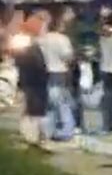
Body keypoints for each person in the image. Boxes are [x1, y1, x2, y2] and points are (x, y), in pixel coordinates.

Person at [39, 10, 76, 141]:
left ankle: (49, 130)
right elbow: (68, 56)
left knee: (49, 103)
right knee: (62, 102)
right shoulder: (63, 39)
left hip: (46, 71)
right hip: (60, 71)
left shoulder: (43, 39)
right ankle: (67, 130)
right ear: (59, 25)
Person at [15, 14, 50, 145]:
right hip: (34, 82)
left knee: (32, 108)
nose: (44, 31)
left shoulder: (27, 44)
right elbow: (36, 65)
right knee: (34, 109)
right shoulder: (30, 46)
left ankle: (33, 135)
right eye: (43, 28)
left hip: (30, 82)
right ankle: (33, 136)